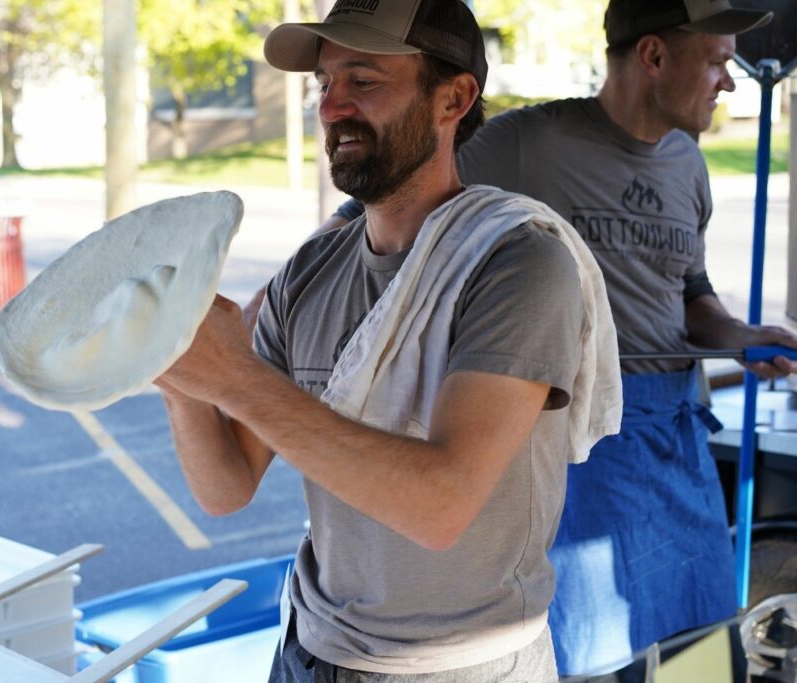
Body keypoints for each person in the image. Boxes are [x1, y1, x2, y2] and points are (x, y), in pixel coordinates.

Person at [293, 0, 797, 678]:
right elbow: (378, 201)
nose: (728, 81)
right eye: (714, 61)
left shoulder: (689, 166)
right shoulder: (526, 142)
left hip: (678, 440)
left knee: (697, 639)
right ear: (652, 56)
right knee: (599, 648)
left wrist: (739, 335)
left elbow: (691, 295)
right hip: (575, 447)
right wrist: (291, 292)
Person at [156, 1, 622, 681]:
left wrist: (232, 377)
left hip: (463, 664)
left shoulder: (518, 265)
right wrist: (180, 372)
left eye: (364, 82)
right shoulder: (309, 274)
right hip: (312, 648)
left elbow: (441, 506)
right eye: (324, 84)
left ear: (453, 98)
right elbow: (226, 485)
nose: (333, 107)